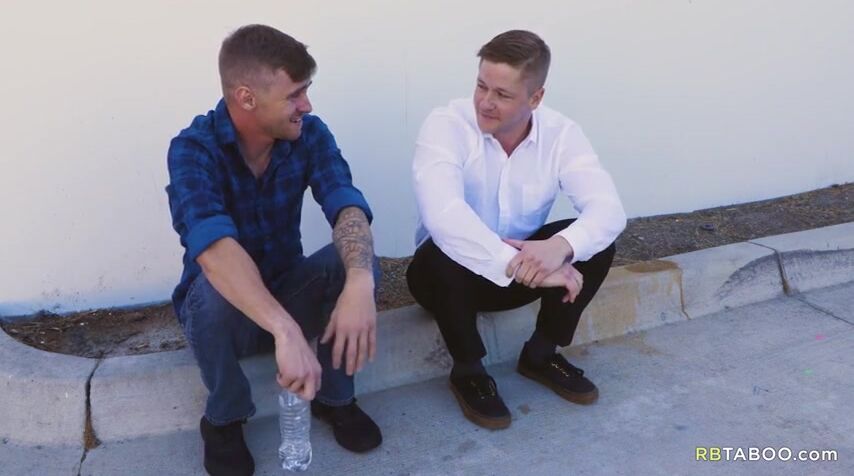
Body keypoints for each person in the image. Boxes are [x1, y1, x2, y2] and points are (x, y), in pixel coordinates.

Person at [166, 24, 382, 476]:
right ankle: (225, 417)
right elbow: (213, 248)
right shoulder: (193, 149)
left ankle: (334, 398)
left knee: (355, 261)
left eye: (306, 91)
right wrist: (285, 332)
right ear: (247, 98)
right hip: (225, 318)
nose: (307, 105)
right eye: (294, 95)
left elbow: (346, 204)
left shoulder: (309, 134)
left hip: (289, 291)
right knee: (209, 288)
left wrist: (361, 283)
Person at [407, 30, 627, 430]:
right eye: (481, 86)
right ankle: (468, 372)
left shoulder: (561, 134)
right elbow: (444, 216)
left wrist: (560, 246)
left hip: (520, 277)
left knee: (593, 242)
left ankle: (541, 355)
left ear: (536, 98)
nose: (485, 102)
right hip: (447, 282)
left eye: (502, 94)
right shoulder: (446, 125)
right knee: (441, 250)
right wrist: (521, 263)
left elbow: (609, 210)